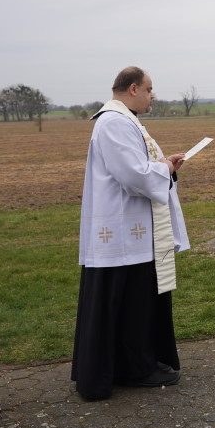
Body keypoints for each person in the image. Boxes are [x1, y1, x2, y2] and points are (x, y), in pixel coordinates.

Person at [73, 66, 189, 401]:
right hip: (124, 235)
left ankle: (138, 362)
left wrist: (165, 164)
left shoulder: (124, 120)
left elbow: (138, 167)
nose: (154, 96)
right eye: (151, 90)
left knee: (134, 303)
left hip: (132, 231)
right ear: (134, 88)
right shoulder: (114, 122)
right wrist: (165, 168)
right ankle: (134, 369)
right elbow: (134, 176)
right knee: (130, 304)